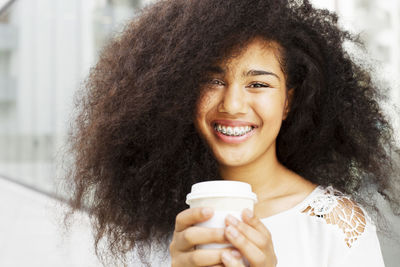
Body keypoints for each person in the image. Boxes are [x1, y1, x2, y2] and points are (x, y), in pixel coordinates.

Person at [63, 0, 400, 266]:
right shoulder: (149, 223)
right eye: (213, 80)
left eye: (258, 84)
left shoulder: (336, 229)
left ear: (287, 102)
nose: (233, 104)